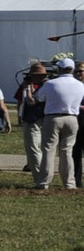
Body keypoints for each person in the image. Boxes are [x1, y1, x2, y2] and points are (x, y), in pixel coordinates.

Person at [36, 57, 83, 191]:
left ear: (60, 69)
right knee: (67, 151)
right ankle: (69, 183)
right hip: (72, 118)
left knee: (48, 150)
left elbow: (39, 98)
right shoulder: (80, 85)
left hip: (53, 117)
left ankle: (44, 182)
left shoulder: (51, 84)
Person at [16, 62, 47, 174]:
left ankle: (40, 171)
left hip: (39, 118)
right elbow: (20, 101)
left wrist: (28, 89)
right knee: (32, 145)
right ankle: (31, 164)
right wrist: (19, 115)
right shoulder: (26, 85)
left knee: (37, 146)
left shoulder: (46, 86)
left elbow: (30, 101)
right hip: (31, 118)